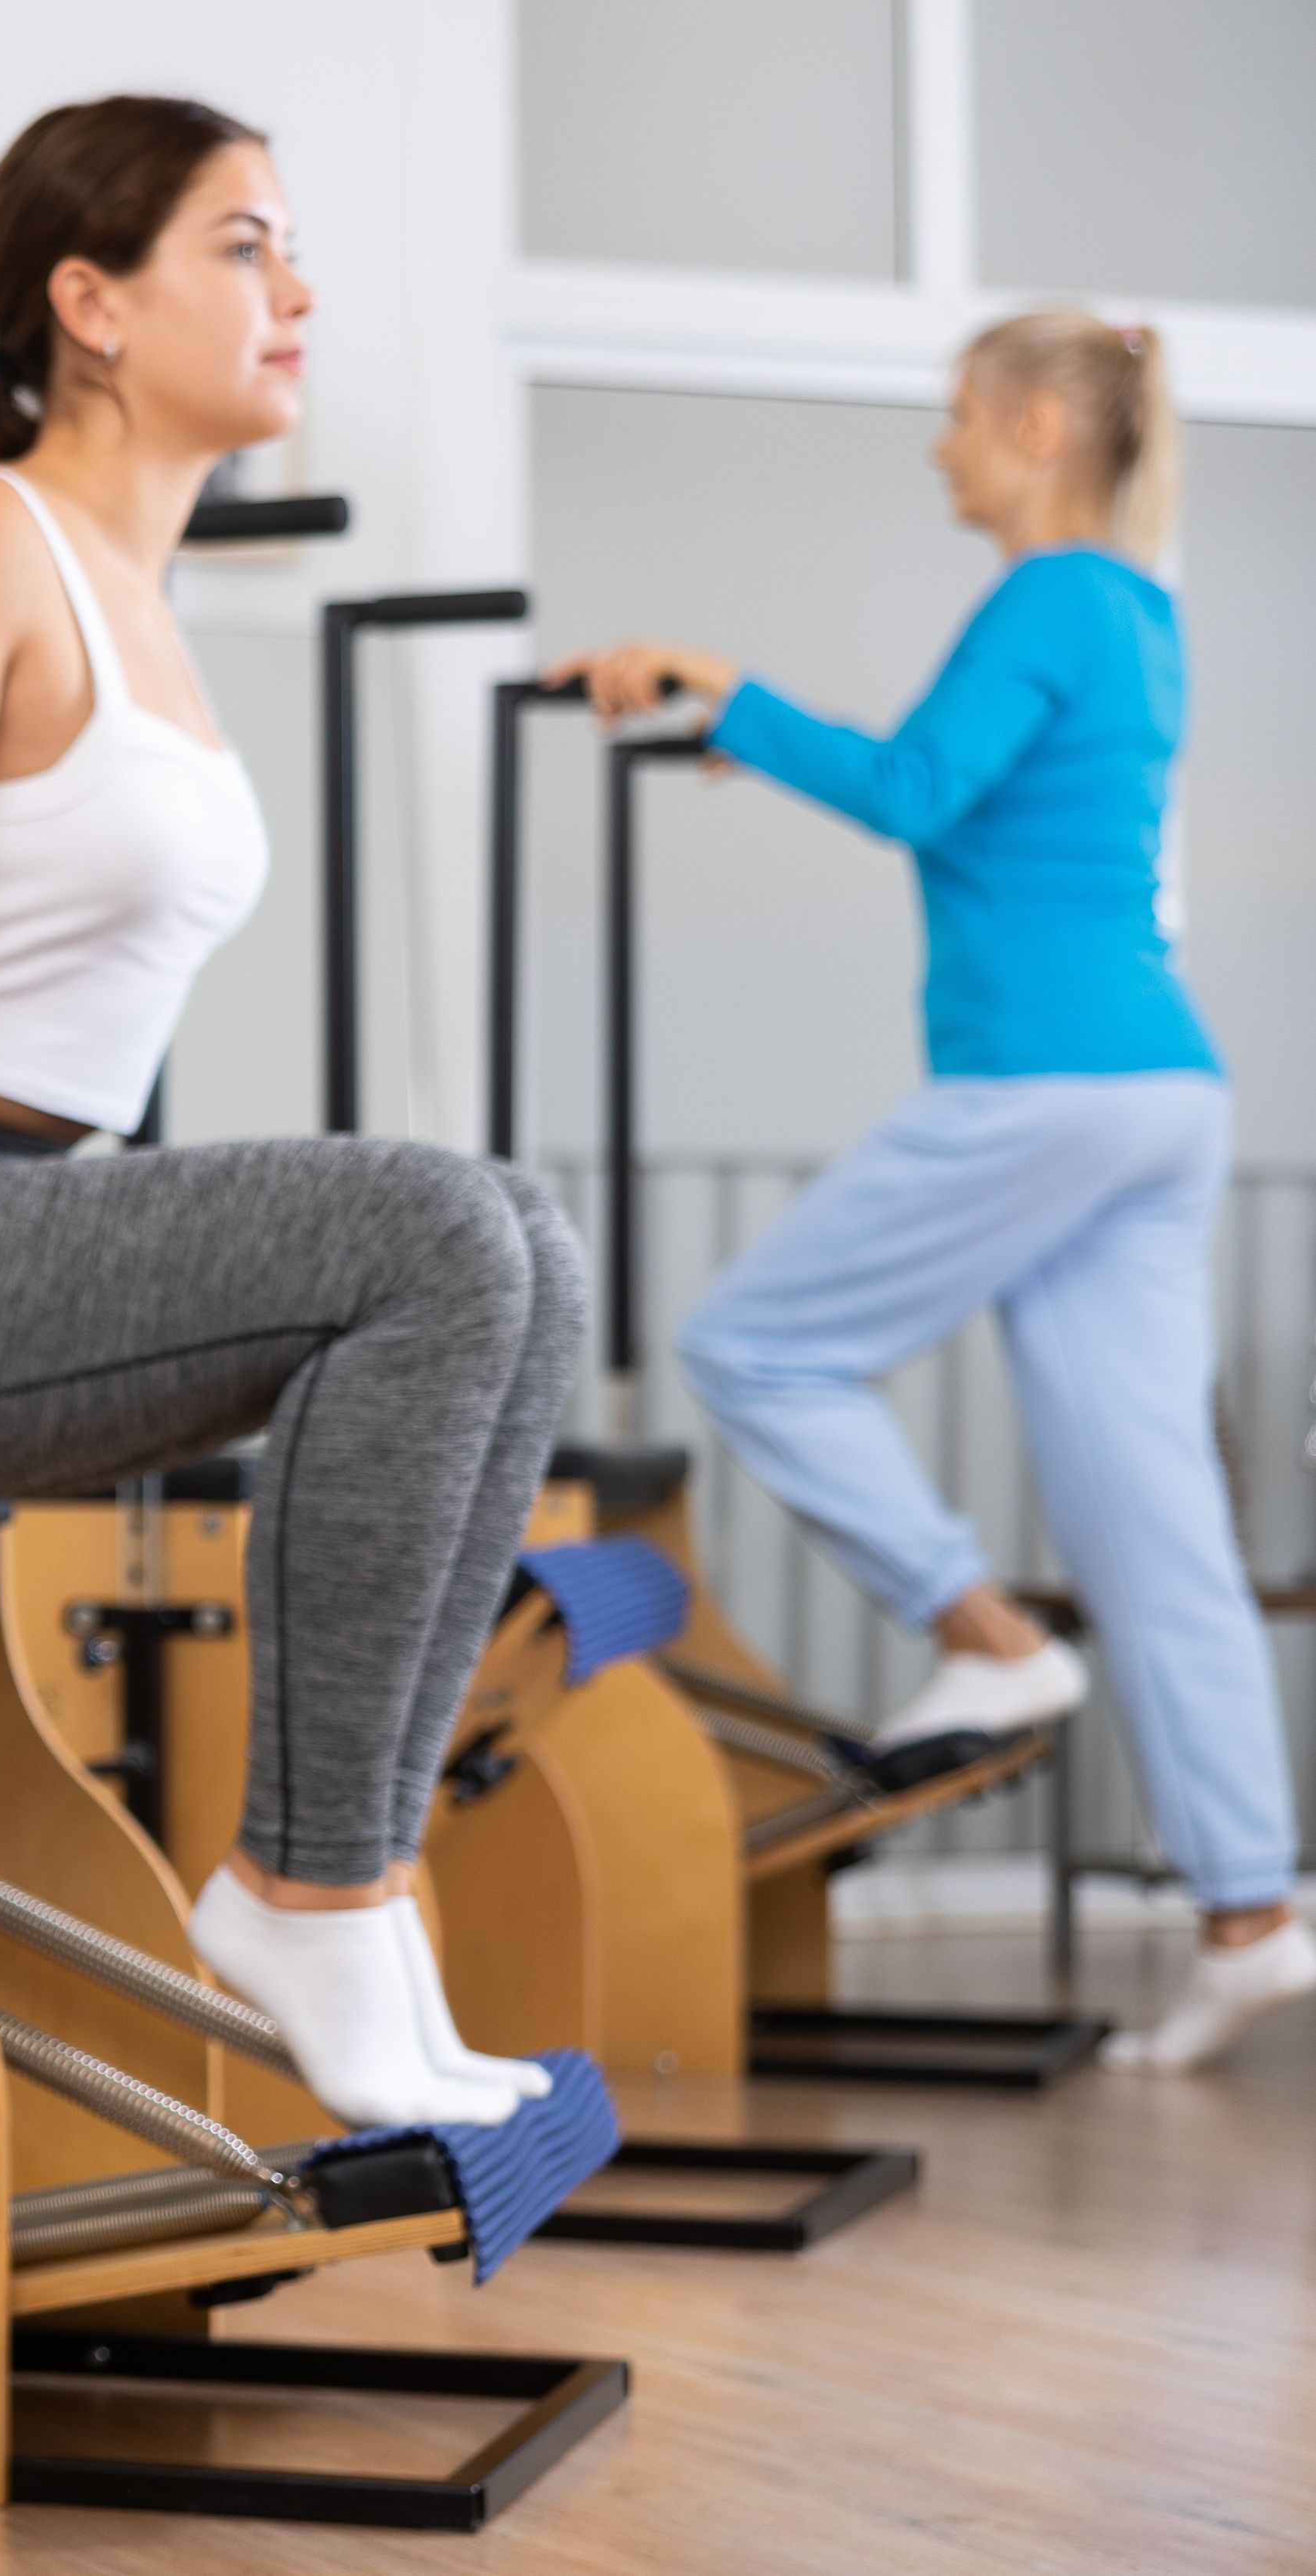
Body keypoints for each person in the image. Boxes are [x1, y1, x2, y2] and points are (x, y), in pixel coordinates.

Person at [0, 97, 578, 2130]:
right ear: (89, 301)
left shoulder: (131, 588)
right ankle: (311, 1885)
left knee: (525, 1236)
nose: (301, 292)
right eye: (245, 246)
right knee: (438, 1227)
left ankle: (348, 1880)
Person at [562, 312, 1311, 2076]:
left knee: (750, 1342)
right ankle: (1253, 1910)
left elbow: (916, 789)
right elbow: (984, 800)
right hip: (1158, 1092)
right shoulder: (1138, 613)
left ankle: (981, 1637)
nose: (938, 449)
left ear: (1040, 424)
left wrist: (711, 682)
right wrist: (774, 735)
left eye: (958, 417)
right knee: (1154, 1530)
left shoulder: (1049, 594)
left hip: (1044, 1081)